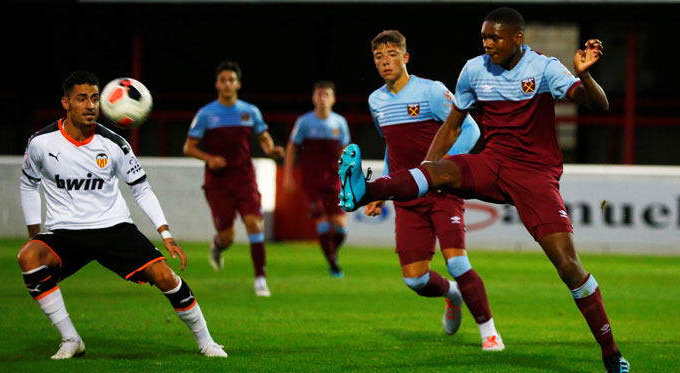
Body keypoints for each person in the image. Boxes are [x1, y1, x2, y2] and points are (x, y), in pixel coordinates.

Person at [339, 8, 629, 373]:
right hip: (492, 163)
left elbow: (598, 105)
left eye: (496, 38)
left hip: (535, 176)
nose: (488, 44)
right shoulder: (474, 69)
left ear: (517, 38)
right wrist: (426, 171)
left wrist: (585, 75)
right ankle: (364, 191)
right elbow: (453, 124)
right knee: (438, 170)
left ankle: (611, 353)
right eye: (484, 38)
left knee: (568, 266)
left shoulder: (544, 68)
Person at [18, 70, 227, 359]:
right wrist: (34, 233)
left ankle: (207, 342)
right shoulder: (41, 142)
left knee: (165, 276)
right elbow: (28, 183)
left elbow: (141, 189)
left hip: (113, 227)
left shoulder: (114, 144)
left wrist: (165, 233)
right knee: (28, 257)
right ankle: (71, 338)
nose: (91, 106)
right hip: (64, 231)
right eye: (82, 99)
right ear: (66, 103)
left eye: (94, 98)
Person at [358, 29, 504, 350]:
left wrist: (442, 167)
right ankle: (453, 294)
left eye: (392, 54)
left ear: (405, 57)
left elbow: (470, 128)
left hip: (441, 191)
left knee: (457, 262)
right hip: (407, 196)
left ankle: (489, 334)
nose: (385, 62)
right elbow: (391, 149)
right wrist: (383, 191)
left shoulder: (432, 92)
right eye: (379, 57)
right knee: (415, 279)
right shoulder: (376, 101)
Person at [183, 61, 285, 297]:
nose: (227, 84)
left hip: (244, 178)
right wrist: (209, 158)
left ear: (238, 84)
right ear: (217, 84)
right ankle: (218, 246)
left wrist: (270, 150)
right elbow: (189, 147)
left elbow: (263, 136)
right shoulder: (206, 114)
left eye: (231, 80)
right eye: (223, 80)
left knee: (254, 224)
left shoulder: (250, 111)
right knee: (228, 236)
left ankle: (260, 279)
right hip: (218, 182)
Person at [283, 81, 350, 278]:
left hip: (334, 180)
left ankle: (330, 251)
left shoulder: (340, 123)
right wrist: (288, 175)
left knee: (341, 228)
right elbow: (292, 147)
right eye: (319, 94)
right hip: (312, 181)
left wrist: (348, 175)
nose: (322, 98)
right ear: (313, 98)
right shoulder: (304, 122)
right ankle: (334, 265)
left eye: (326, 95)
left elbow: (344, 151)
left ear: (333, 99)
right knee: (322, 222)